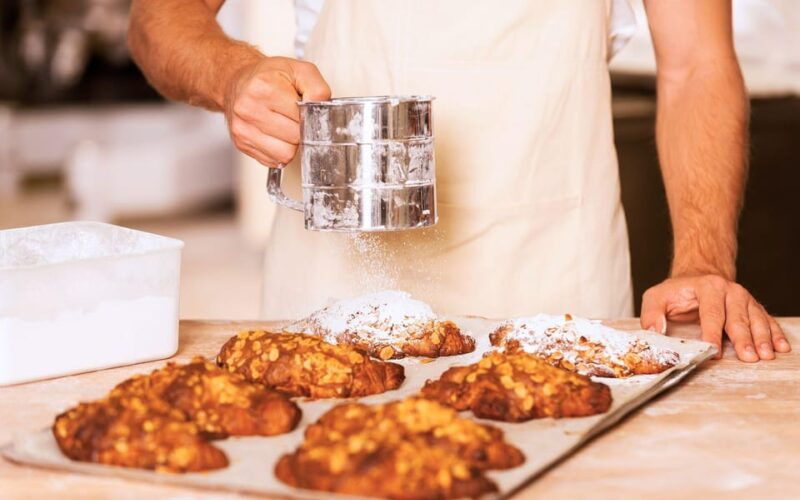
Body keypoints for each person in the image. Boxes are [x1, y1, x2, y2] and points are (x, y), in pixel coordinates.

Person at [128, 0, 791, 362]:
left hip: (557, 300)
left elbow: (697, 63)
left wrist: (702, 261)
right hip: (332, 298)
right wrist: (234, 75)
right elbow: (159, 19)